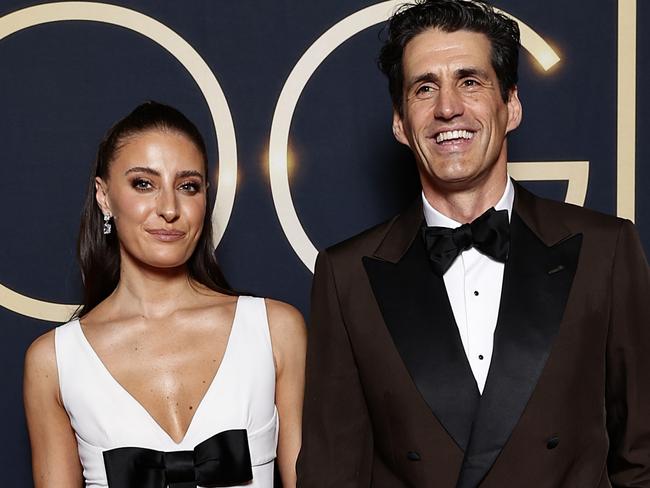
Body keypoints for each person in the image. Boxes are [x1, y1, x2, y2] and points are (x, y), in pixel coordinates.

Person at [297, 1, 650, 487]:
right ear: (401, 122)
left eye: (470, 81)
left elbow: (643, 456)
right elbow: (331, 473)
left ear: (512, 105)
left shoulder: (604, 250)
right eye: (425, 88)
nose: (447, 108)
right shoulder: (348, 275)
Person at [23, 101, 306, 488]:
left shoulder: (276, 330)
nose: (169, 209)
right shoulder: (53, 361)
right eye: (144, 184)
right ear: (104, 197)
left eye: (187, 186)